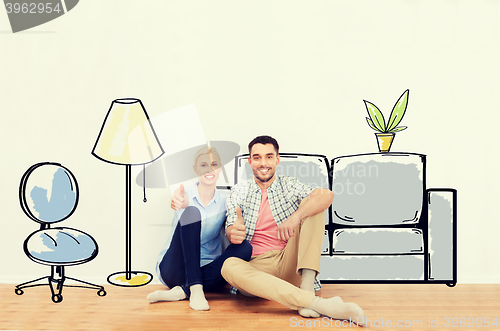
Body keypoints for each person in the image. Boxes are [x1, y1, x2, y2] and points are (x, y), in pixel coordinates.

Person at [221, 136, 366, 325]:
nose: (263, 163)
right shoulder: (238, 191)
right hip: (257, 269)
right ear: (250, 161)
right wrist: (233, 232)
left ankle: (307, 287)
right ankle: (320, 304)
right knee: (228, 266)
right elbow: (231, 226)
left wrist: (295, 217)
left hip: (288, 261)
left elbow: (326, 195)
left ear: (277, 159)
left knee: (313, 202)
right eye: (257, 158)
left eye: (269, 157)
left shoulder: (288, 184)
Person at [147, 146, 252, 311]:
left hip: (207, 269)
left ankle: (183, 291)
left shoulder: (226, 201)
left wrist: (236, 228)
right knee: (192, 212)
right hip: (175, 269)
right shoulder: (184, 193)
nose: (209, 169)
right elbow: (180, 200)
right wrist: (180, 202)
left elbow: (232, 228)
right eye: (203, 165)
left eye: (214, 164)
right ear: (195, 169)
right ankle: (195, 288)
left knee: (245, 248)